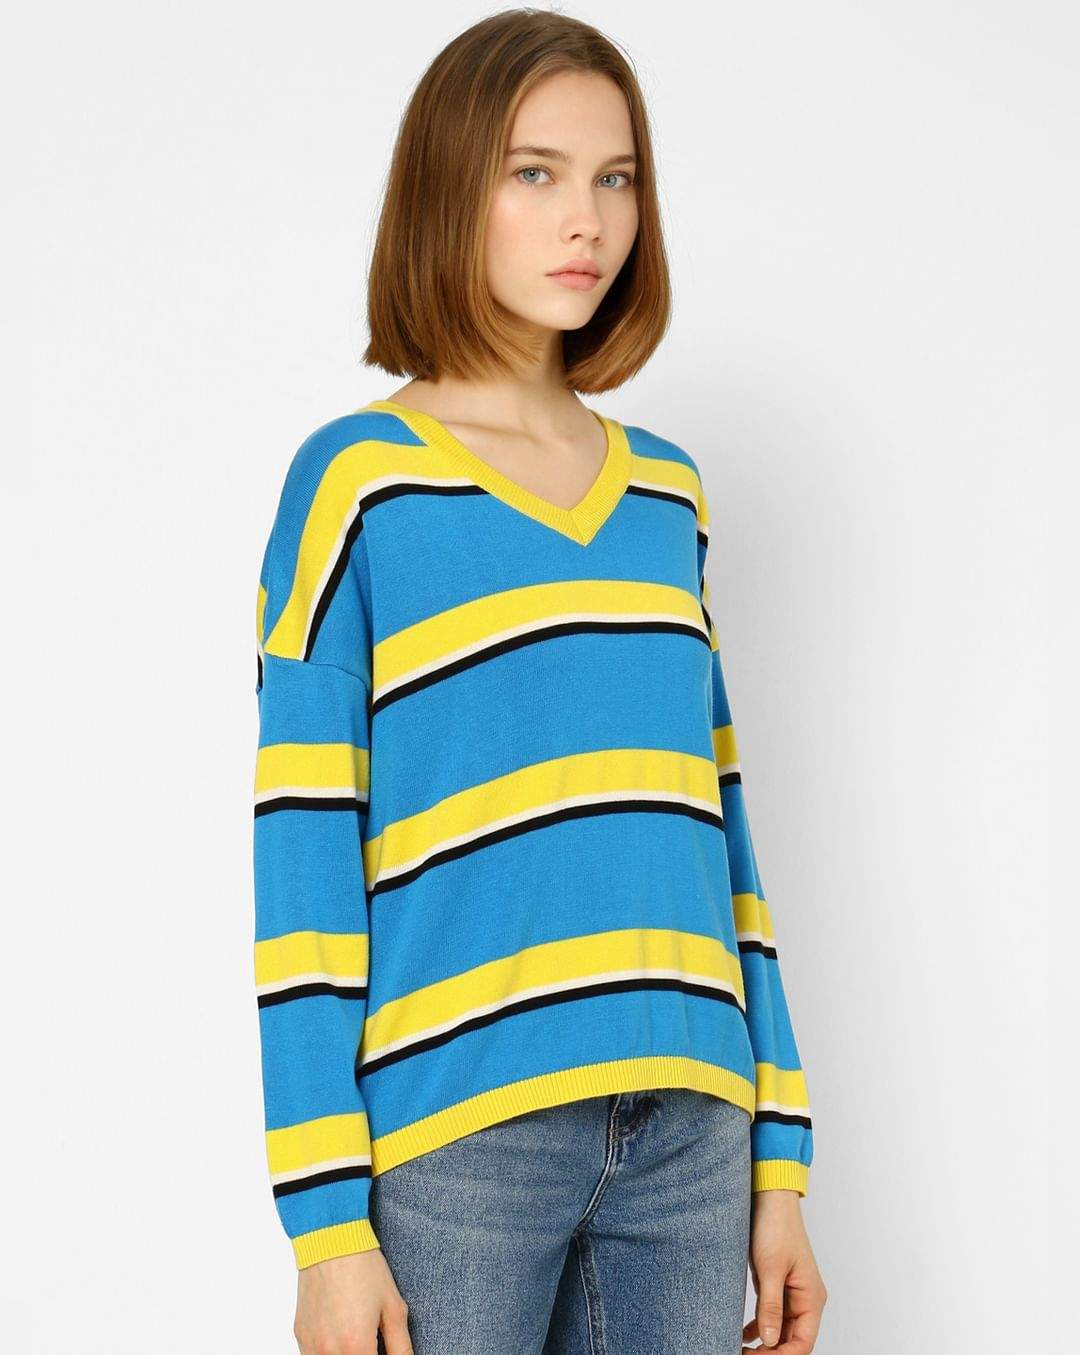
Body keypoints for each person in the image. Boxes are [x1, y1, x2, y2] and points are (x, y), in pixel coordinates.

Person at [252, 9, 827, 1353]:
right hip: (463, 1139)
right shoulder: (359, 486)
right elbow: (303, 866)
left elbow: (718, 830)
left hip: (693, 1130)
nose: (588, 219)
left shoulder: (666, 497)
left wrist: (782, 1162)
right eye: (536, 172)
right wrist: (328, 1230)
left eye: (616, 177)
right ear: (450, 190)